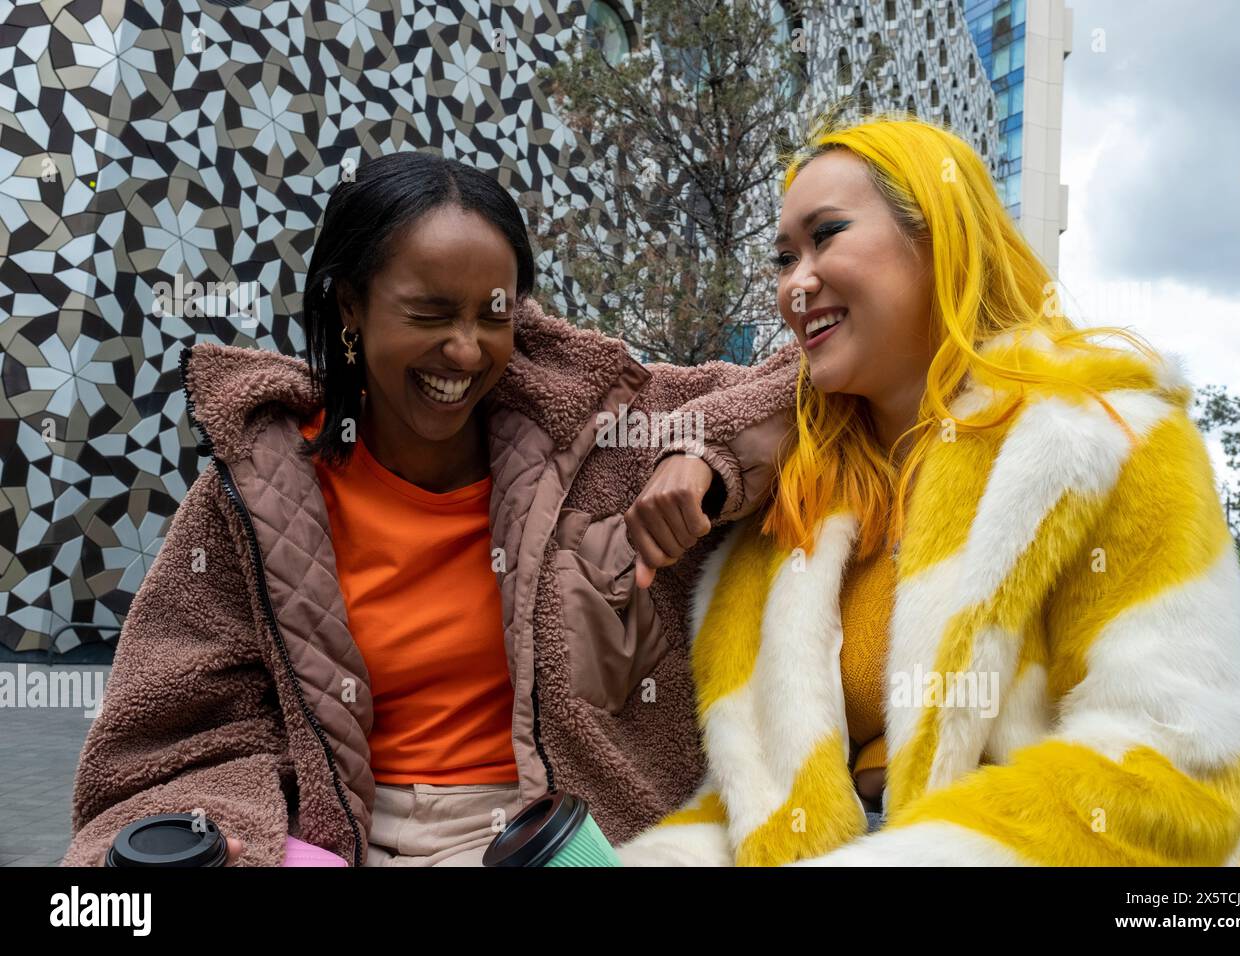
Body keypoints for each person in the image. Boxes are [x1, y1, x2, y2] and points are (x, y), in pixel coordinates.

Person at [63, 152, 798, 867]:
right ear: (350, 303)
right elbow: (169, 729)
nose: (466, 351)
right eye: (430, 313)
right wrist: (236, 835)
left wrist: (706, 452)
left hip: (533, 834)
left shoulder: (605, 431)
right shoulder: (255, 489)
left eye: (493, 316)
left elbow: (820, 373)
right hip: (325, 836)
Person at [615, 115, 1240, 867]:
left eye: (826, 235)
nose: (794, 282)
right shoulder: (790, 518)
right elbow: (757, 809)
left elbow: (1178, 770)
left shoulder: (1107, 436)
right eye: (782, 257)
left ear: (940, 235)